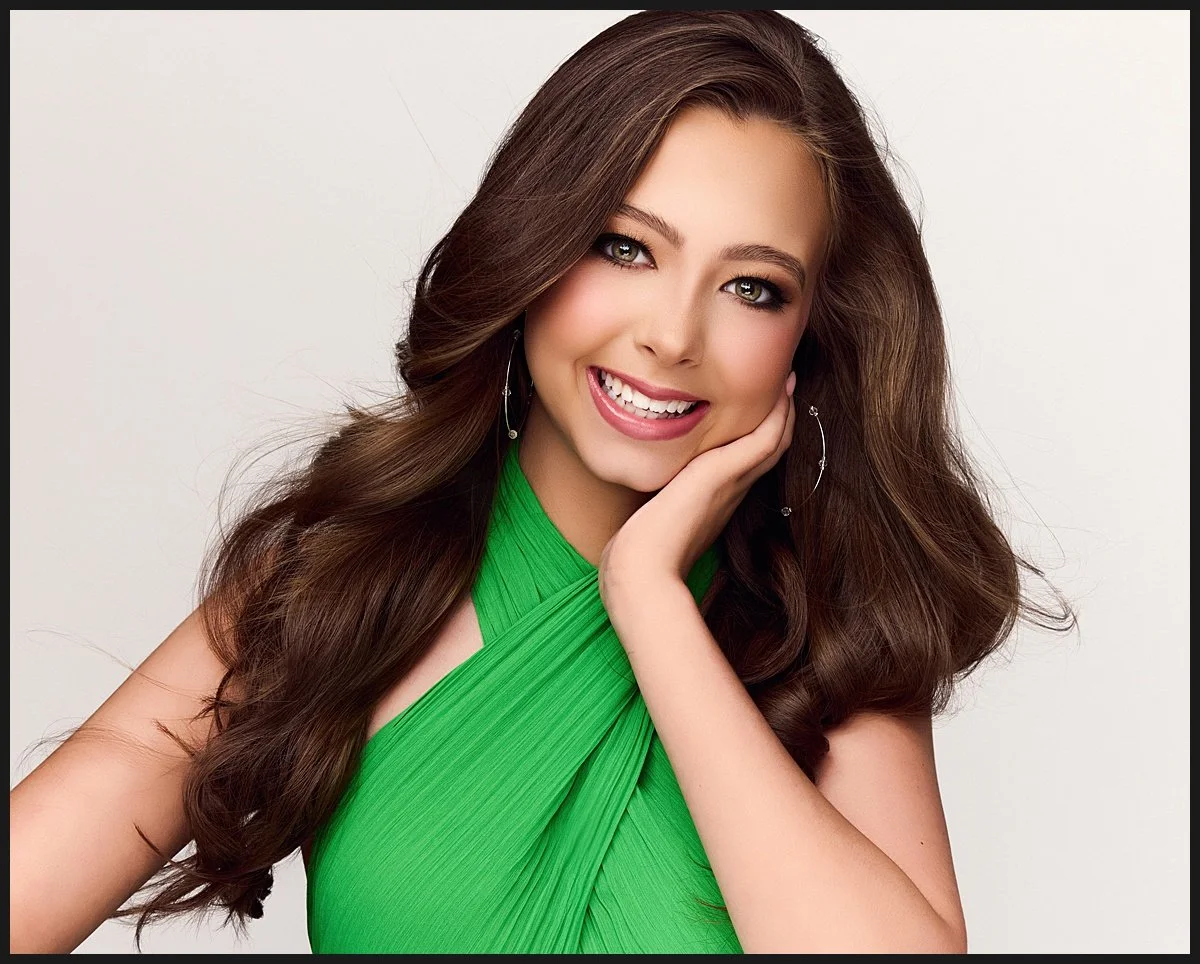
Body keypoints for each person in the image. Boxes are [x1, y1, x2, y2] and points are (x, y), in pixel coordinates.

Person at [9, 9, 1073, 954]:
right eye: (624, 247)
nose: (671, 335)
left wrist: (650, 598)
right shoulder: (341, 576)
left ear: (813, 333)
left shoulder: (830, 640)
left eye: (752, 286)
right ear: (533, 252)